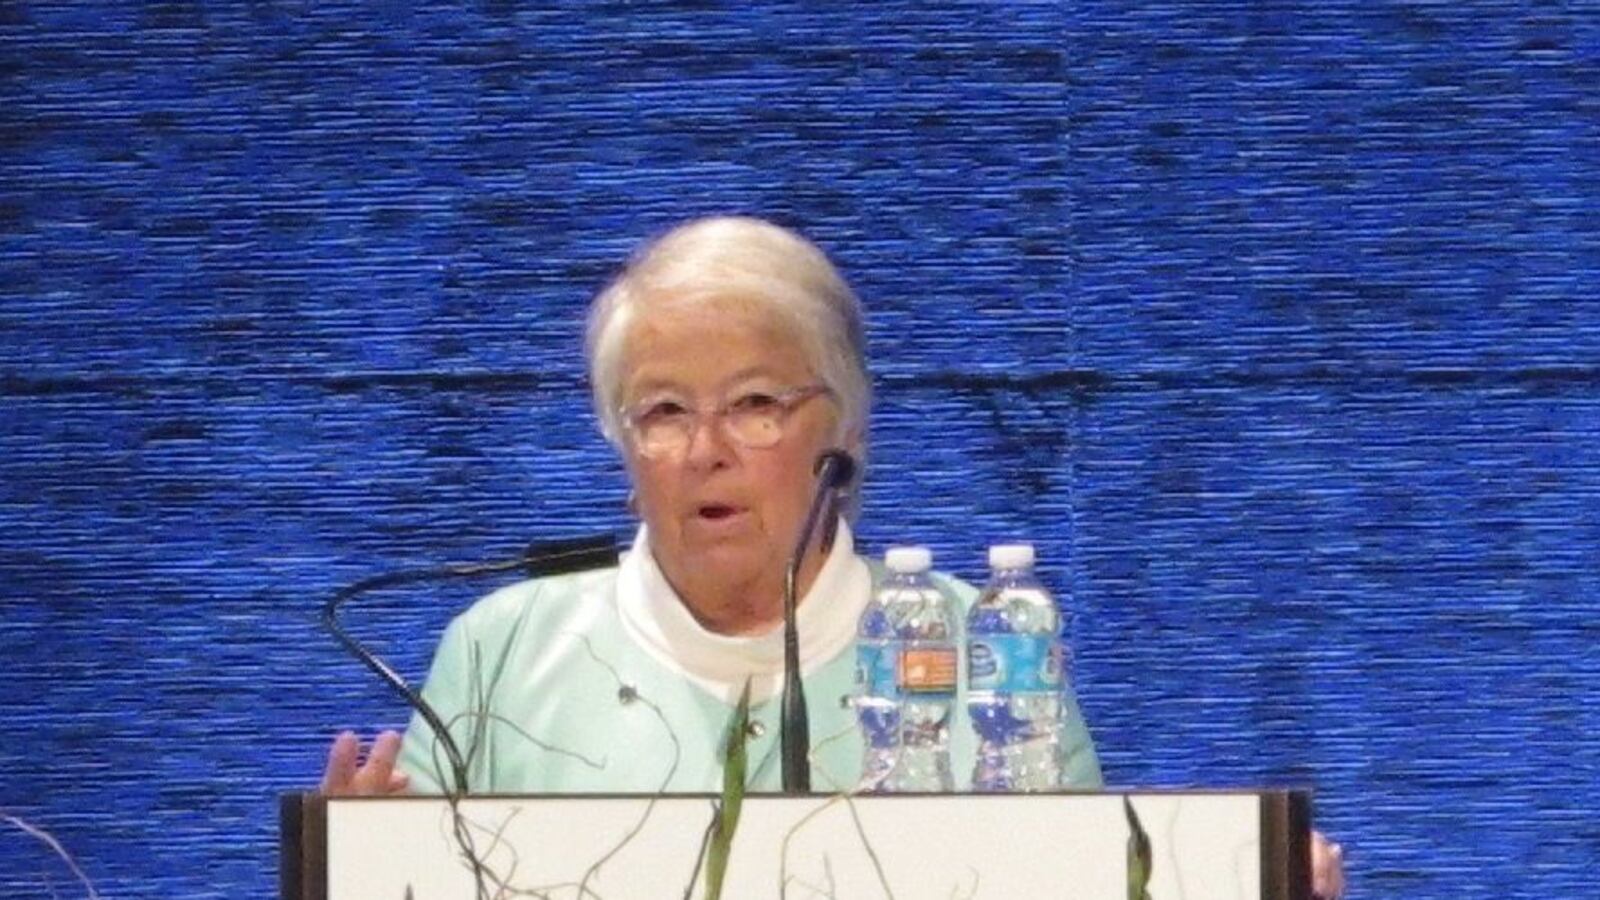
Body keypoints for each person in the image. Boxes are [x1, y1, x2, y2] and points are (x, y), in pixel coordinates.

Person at [320, 215, 1343, 897]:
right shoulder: (503, 651)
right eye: (664, 412)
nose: (707, 449)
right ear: (622, 452)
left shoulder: (982, 638)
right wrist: (365, 868)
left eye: (755, 405)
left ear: (841, 432)